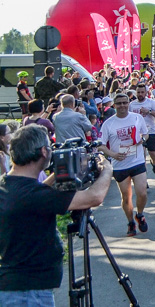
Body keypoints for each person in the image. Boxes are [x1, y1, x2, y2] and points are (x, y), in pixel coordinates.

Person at [0, 125, 113, 307]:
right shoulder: (32, 195)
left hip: (15, 287)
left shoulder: (8, 184)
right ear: (44, 151)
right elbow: (94, 197)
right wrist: (107, 169)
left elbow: (34, 194)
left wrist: (57, 173)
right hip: (29, 293)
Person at [99, 91, 150, 236]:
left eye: (125, 103)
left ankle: (139, 214)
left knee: (142, 193)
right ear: (114, 105)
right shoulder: (108, 124)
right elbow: (101, 146)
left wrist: (143, 140)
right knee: (126, 197)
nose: (122, 106)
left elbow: (145, 134)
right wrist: (114, 154)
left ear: (129, 103)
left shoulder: (137, 117)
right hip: (120, 164)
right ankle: (130, 222)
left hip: (137, 160)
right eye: (119, 103)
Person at [129, 82, 155, 175]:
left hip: (151, 131)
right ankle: (144, 178)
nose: (140, 94)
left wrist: (149, 111)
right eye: (138, 92)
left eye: (142, 92)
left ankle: (154, 163)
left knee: (152, 152)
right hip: (138, 134)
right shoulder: (132, 105)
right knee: (142, 155)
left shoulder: (151, 103)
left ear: (146, 93)